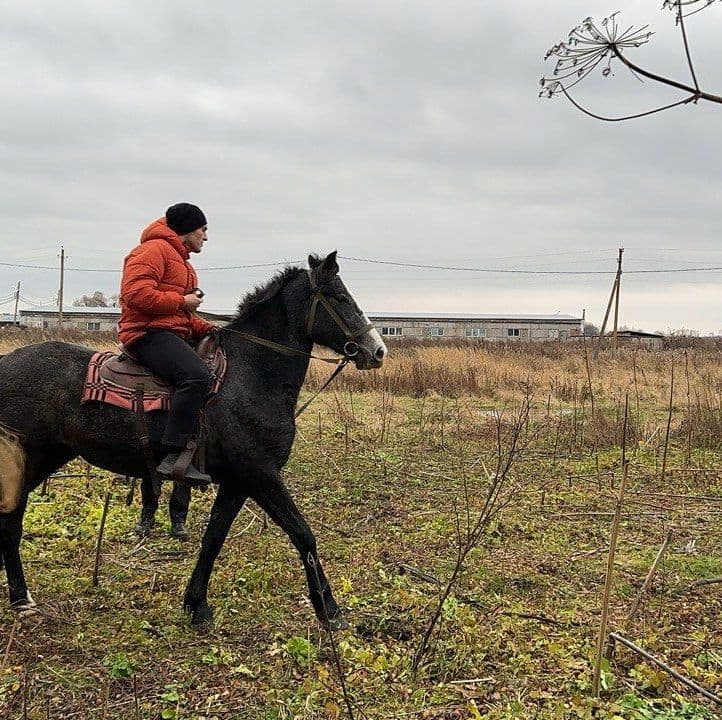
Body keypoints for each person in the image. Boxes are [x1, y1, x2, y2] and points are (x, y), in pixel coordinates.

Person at [118, 202, 215, 486]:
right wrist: (182, 300)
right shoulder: (152, 251)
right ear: (187, 229)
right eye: (203, 229)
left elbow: (181, 315)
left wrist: (208, 328)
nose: (206, 237)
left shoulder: (182, 262)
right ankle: (174, 454)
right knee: (196, 376)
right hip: (146, 333)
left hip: (169, 332)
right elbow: (135, 294)